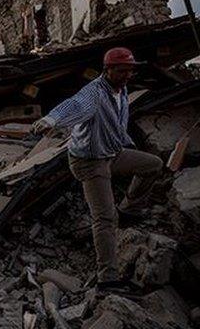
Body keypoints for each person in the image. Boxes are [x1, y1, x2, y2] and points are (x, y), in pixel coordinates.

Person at [32, 47, 163, 290]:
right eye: (121, 71)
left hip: (112, 153)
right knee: (104, 218)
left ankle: (129, 209)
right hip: (89, 162)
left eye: (129, 71)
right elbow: (74, 104)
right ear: (108, 70)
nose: (126, 75)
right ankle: (108, 278)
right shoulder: (95, 93)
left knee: (152, 165)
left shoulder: (121, 91)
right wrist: (51, 119)